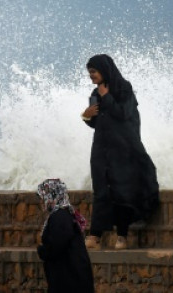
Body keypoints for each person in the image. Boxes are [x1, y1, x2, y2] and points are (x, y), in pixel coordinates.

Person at [80, 54, 159, 250]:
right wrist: (85, 116)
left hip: (123, 148)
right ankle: (95, 235)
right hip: (101, 148)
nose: (91, 76)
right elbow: (99, 122)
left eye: (93, 72)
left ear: (104, 70)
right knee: (100, 189)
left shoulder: (124, 88)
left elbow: (124, 114)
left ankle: (122, 236)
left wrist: (107, 96)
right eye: (89, 72)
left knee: (121, 191)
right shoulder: (95, 92)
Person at [35, 178, 95, 293]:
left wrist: (42, 250)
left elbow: (56, 245)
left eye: (43, 197)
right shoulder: (63, 215)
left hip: (70, 280)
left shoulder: (59, 217)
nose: (41, 202)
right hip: (72, 277)